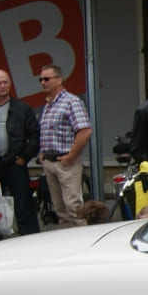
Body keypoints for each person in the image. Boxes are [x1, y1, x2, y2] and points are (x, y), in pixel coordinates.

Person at [0, 68, 41, 235]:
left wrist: (25, 157)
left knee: (23, 206)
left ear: (10, 84)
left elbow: (34, 135)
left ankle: (30, 240)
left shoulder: (22, 109)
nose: (2, 86)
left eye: (5, 82)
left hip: (15, 164)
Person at [36, 63, 93, 229]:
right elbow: (50, 132)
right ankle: (68, 245)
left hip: (65, 162)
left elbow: (85, 131)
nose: (43, 82)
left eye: (47, 79)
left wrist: (71, 156)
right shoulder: (49, 105)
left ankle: (84, 242)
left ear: (59, 80)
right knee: (60, 210)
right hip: (50, 161)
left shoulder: (71, 101)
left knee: (74, 207)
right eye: (41, 79)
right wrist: (43, 153)